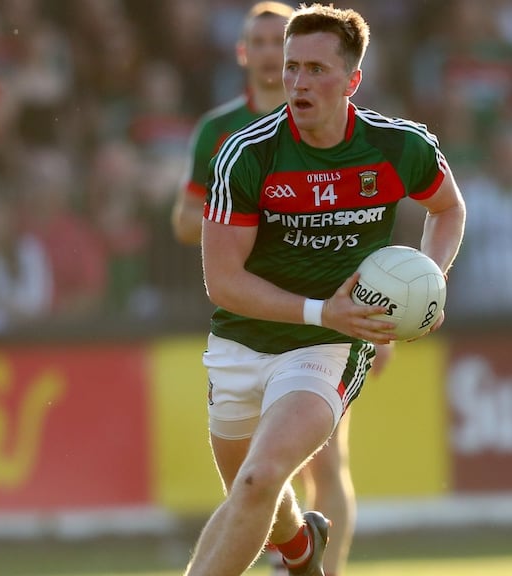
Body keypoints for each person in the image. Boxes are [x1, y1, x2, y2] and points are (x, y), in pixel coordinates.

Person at [185, 5, 466, 576]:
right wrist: (320, 308)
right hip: (241, 342)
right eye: (292, 68)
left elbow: (448, 208)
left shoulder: (397, 146)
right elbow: (224, 283)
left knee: (260, 478)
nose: (297, 82)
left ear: (352, 80)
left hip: (328, 346)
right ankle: (299, 549)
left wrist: (428, 281)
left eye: (316, 69)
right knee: (252, 491)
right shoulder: (245, 153)